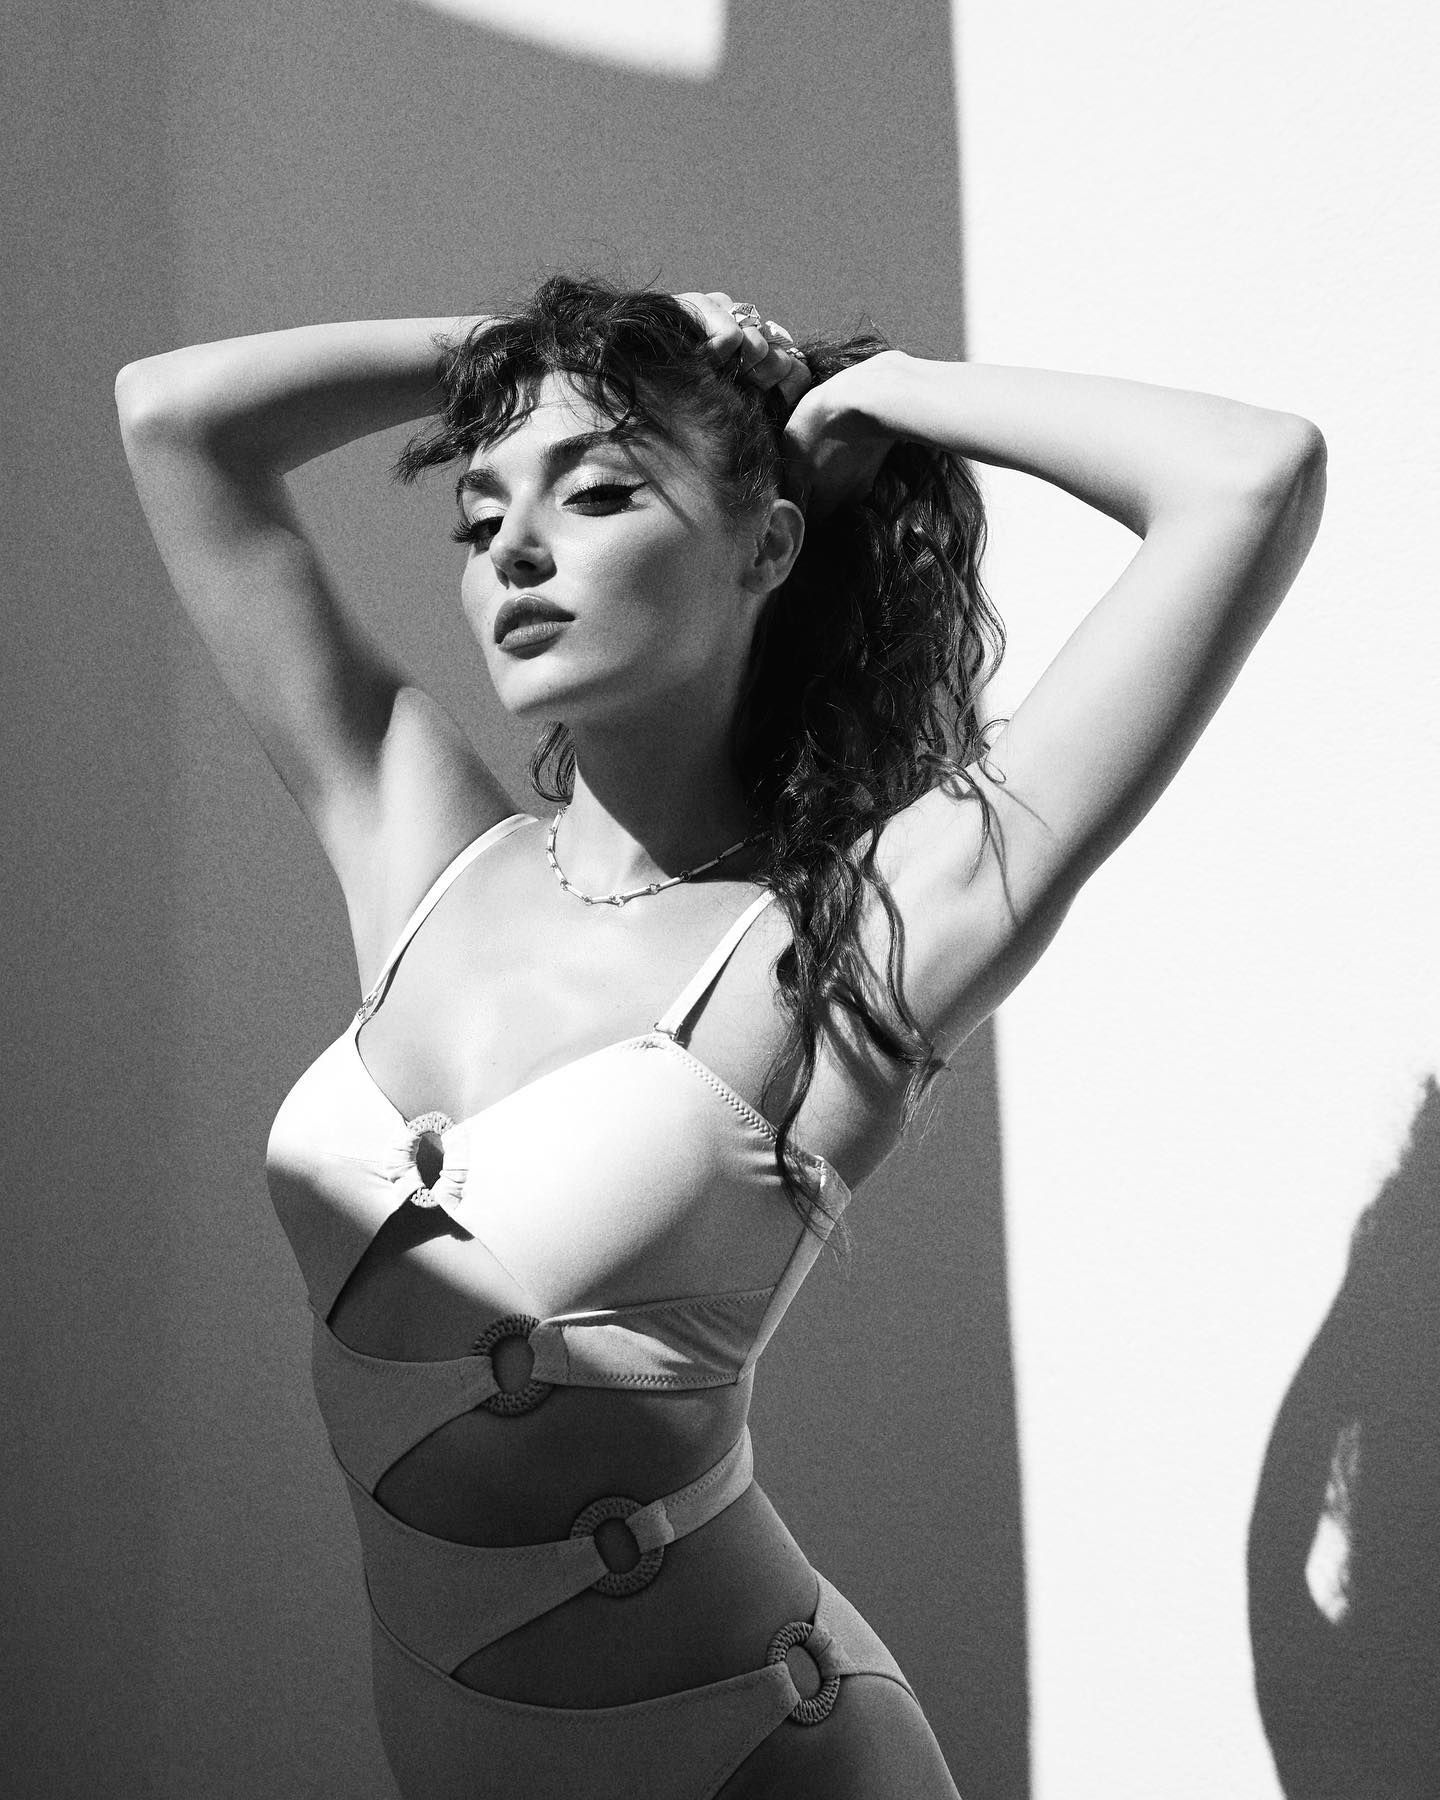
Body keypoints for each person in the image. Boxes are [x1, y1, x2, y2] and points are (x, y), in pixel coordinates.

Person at [114, 278, 1325, 1798]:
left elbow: (1248, 475)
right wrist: (544, 355)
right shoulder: (419, 845)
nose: (516, 552)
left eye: (597, 493)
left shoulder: (860, 936)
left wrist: (870, 393)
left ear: (766, 545)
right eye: (481, 518)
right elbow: (174, 418)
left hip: (765, 1754)